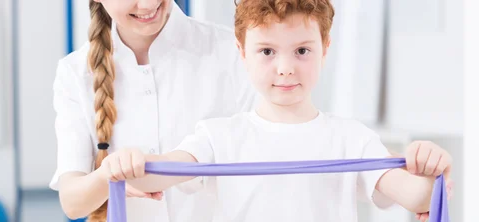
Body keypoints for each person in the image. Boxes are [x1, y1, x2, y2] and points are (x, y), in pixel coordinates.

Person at [96, 0, 454, 221]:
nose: (285, 67)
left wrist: (428, 166)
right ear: (242, 52)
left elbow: (419, 197)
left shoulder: (353, 139)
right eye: (267, 51)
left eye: (302, 51)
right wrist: (128, 164)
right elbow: (155, 174)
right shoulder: (217, 137)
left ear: (325, 48)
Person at [49, 0, 256, 221]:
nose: (148, 4)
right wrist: (109, 175)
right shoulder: (74, 73)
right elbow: (72, 202)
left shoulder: (235, 52)